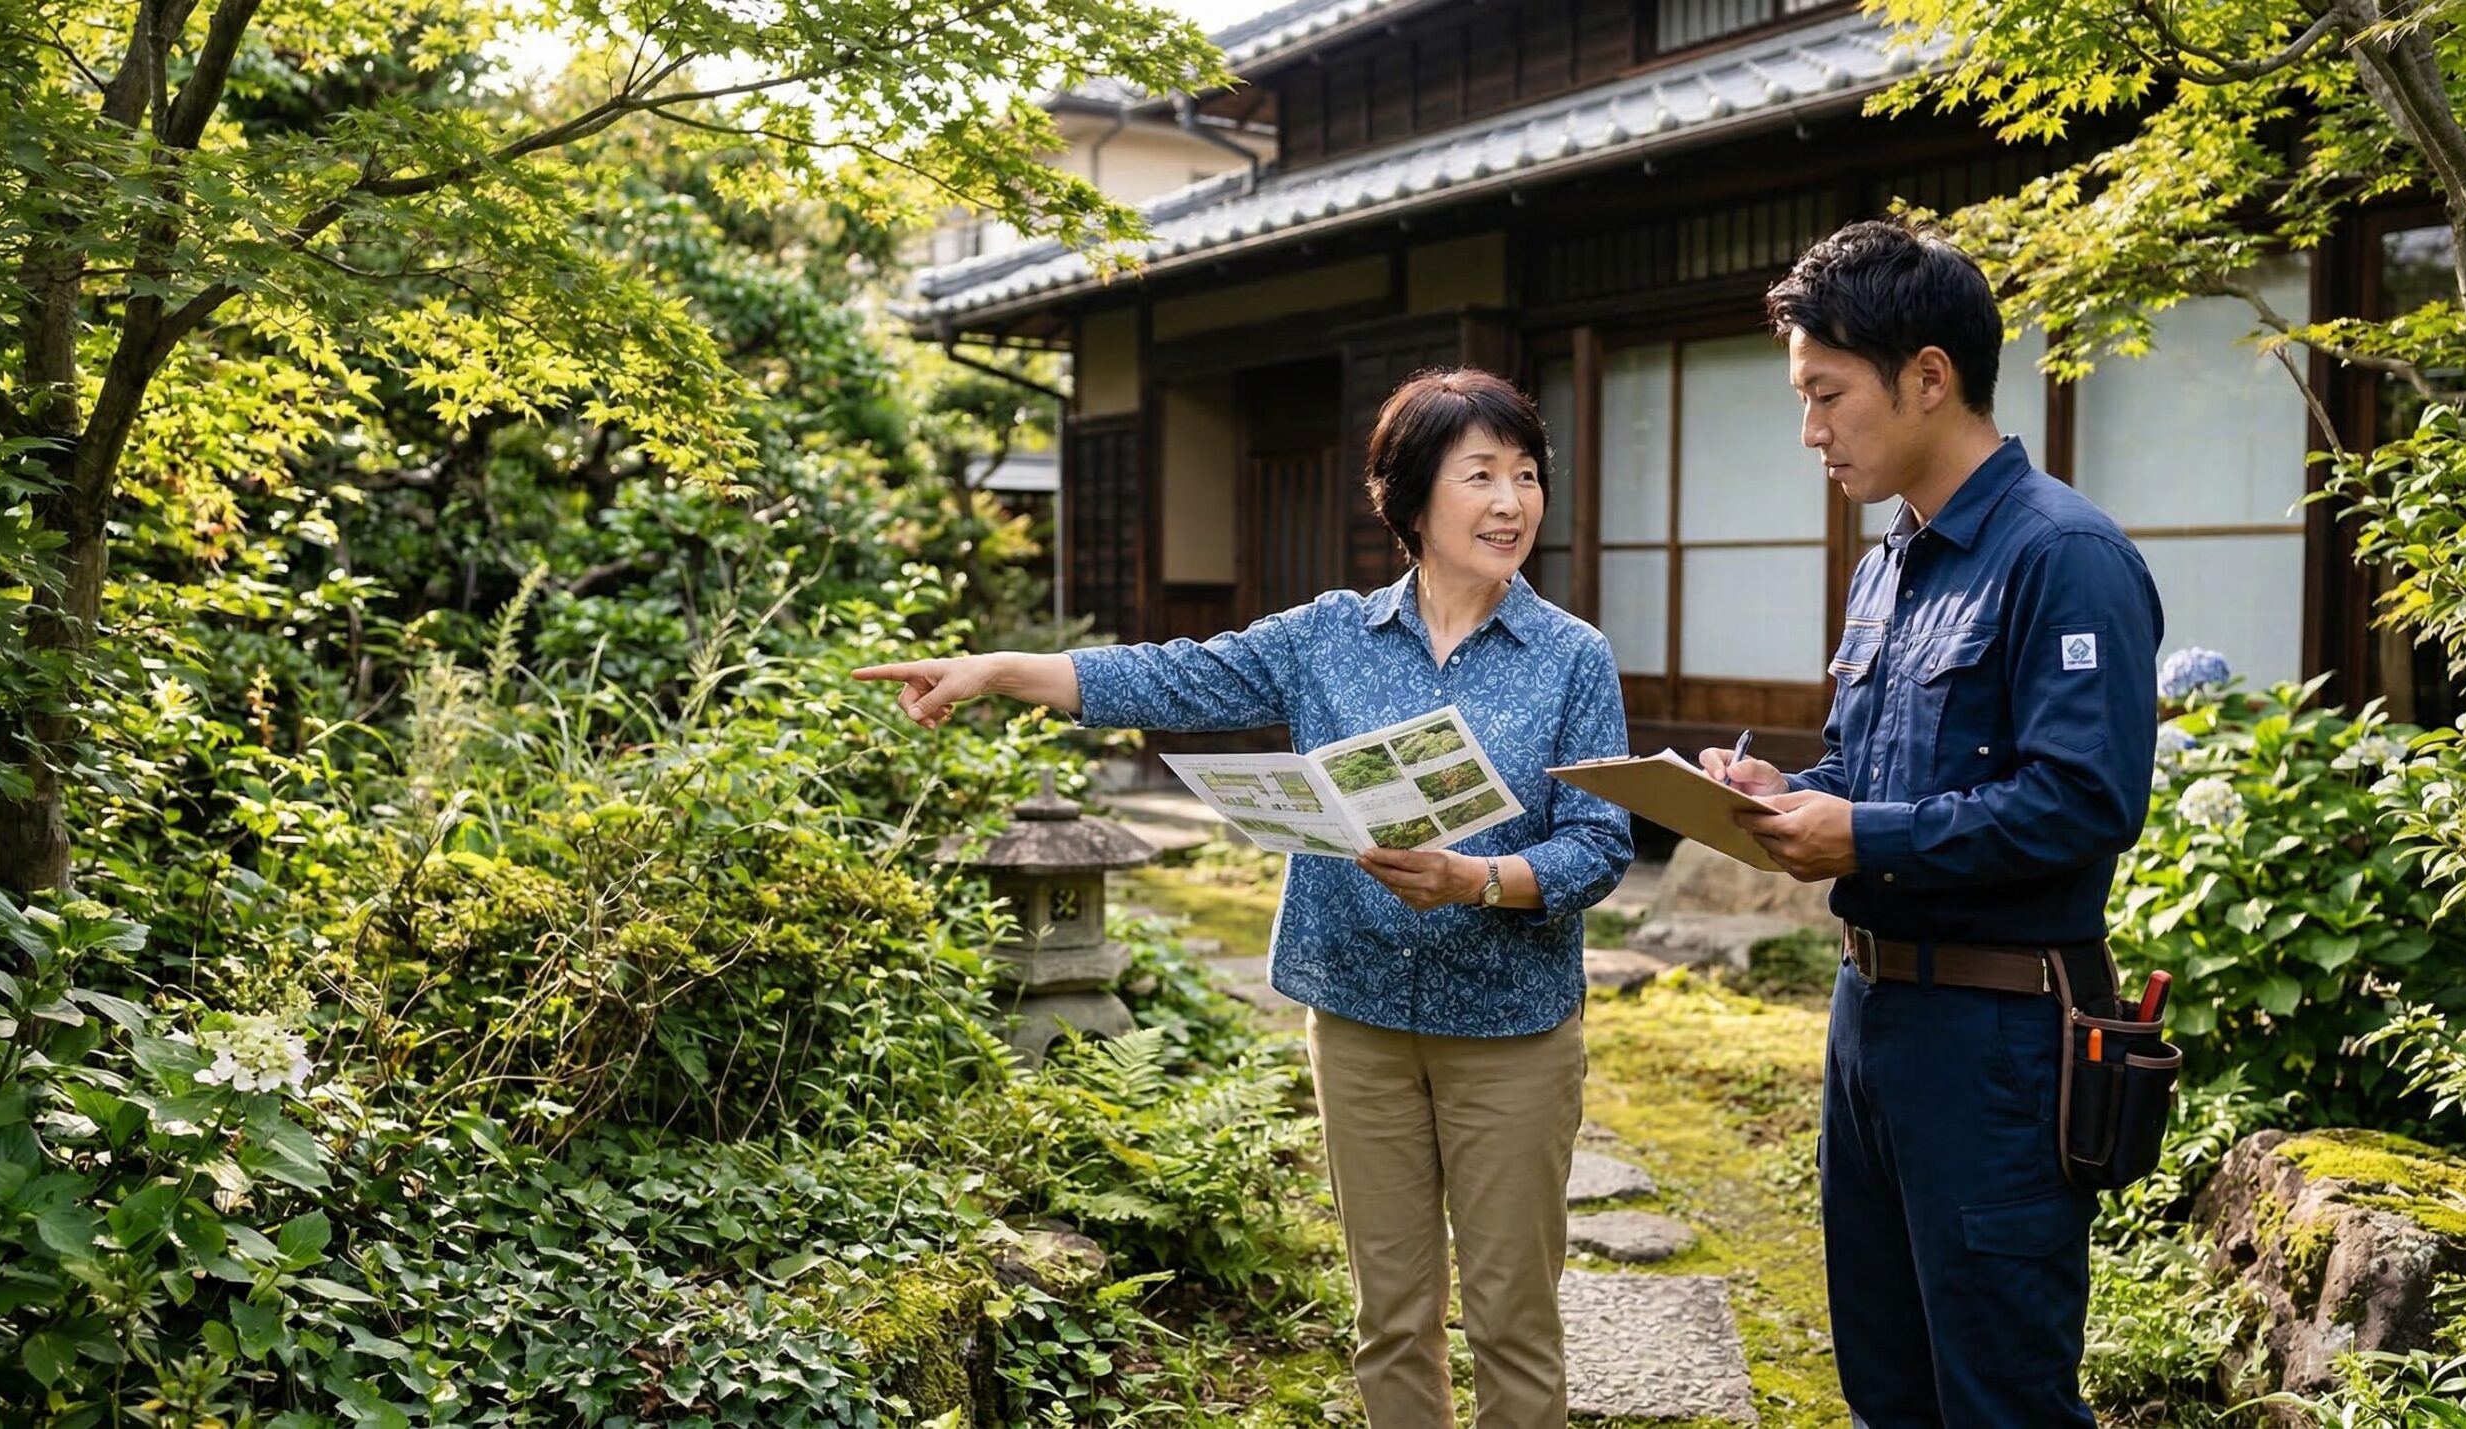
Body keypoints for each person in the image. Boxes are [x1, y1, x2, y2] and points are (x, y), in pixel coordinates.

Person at [856, 368, 1632, 1428]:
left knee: (1510, 1318)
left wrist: (1478, 879)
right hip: (1355, 1018)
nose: (1512, 501)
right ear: (1411, 497)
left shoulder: (1572, 658)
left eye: (1527, 475)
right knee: (1390, 1315)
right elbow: (1170, 677)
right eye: (1482, 475)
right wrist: (999, 670)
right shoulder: (1325, 638)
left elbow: (1599, 840)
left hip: (1510, 1030)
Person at [1701, 220, 2163, 1427]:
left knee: (1998, 1393)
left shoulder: (2062, 555)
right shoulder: (1885, 562)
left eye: (1824, 395)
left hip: (2000, 1032)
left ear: (1926, 375)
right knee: (1886, 1379)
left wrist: (1868, 836)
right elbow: (1862, 765)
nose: (1809, 430)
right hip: (1869, 1017)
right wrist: (1783, 800)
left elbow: (2085, 798)